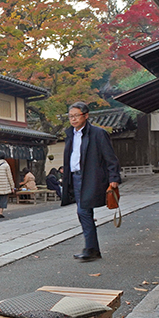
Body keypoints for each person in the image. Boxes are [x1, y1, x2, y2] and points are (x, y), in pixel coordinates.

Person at [60, 101, 121, 262]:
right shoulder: (70, 134)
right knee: (84, 212)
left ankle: (91, 248)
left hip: (91, 176)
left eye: (76, 116)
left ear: (86, 116)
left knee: (83, 211)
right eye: (70, 116)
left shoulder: (97, 133)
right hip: (74, 177)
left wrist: (114, 178)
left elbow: (110, 158)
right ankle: (92, 248)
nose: (73, 119)